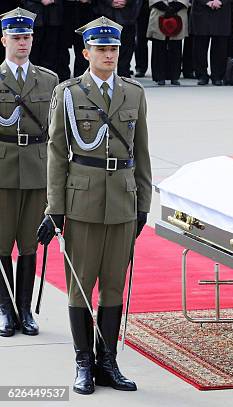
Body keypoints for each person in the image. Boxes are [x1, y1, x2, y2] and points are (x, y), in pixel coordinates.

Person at [36, 16, 152, 394]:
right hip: (82, 201)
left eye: (114, 48)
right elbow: (56, 151)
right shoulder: (69, 93)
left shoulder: (134, 93)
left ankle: (108, 362)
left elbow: (142, 153)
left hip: (122, 200)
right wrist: (55, 207)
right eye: (101, 49)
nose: (109, 55)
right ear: (86, 52)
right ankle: (83, 362)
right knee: (80, 287)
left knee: (115, 287)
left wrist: (143, 202)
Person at [0, 7, 58, 338]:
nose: (23, 43)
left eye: (27, 38)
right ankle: (5, 308)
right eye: (17, 38)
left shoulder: (48, 80)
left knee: (29, 242)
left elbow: (55, 132)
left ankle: (25, 310)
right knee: (1, 242)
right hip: (3, 167)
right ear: (4, 39)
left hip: (37, 168)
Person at [94, 0, 142, 78]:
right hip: (106, 15)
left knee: (127, 47)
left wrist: (126, 1)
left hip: (128, 16)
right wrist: (110, 2)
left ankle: (123, 75)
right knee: (104, 48)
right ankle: (105, 75)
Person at [190, 0, 232, 86]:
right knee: (200, 46)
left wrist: (220, 1)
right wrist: (207, 2)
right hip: (201, 10)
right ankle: (202, 75)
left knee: (220, 46)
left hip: (221, 10)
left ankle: (217, 76)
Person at [147, 0, 189, 86]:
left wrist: (174, 7)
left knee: (176, 48)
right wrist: (165, 7)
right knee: (158, 47)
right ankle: (159, 77)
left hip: (179, 13)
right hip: (159, 12)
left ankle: (174, 76)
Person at [20, 0, 63, 75]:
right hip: (34, 16)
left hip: (54, 17)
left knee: (51, 52)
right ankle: (31, 78)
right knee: (33, 51)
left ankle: (49, 79)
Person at [58, 0, 94, 81]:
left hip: (85, 12)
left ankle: (81, 80)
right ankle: (63, 80)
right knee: (62, 50)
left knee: (83, 50)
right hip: (64, 12)